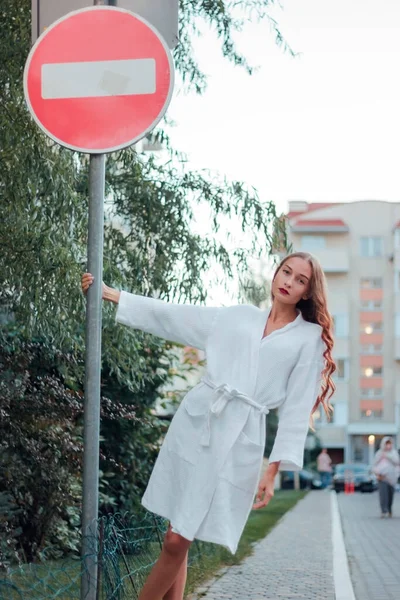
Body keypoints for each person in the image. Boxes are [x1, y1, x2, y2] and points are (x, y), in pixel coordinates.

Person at [81, 251, 336, 600]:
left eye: (300, 279)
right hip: (198, 421)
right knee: (176, 530)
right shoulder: (239, 317)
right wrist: (115, 296)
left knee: (177, 539)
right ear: (276, 273)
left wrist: (272, 471)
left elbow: (295, 411)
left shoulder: (309, 338)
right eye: (285, 272)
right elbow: (176, 317)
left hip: (239, 439)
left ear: (308, 291)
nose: (288, 282)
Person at [373, 436, 399, 518]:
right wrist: (377, 474)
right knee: (383, 495)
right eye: (386, 444)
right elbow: (374, 465)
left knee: (390, 495)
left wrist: (387, 456)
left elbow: (397, 462)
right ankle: (384, 511)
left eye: (389, 444)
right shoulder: (379, 453)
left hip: (391, 478)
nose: (388, 446)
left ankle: (389, 509)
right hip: (382, 477)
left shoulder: (393, 453)